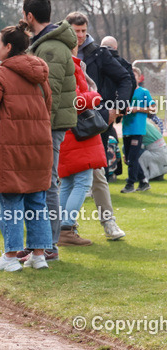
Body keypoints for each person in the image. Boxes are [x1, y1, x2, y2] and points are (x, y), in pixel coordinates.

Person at [0, 23, 54, 272]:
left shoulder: (0, 74)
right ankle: (39, 255)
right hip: (39, 146)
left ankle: (10, 256)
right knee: (37, 202)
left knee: (10, 202)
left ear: (8, 47)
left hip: (10, 148)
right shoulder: (41, 74)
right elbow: (48, 106)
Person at [23, 0, 78, 260]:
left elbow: (50, 94)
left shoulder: (51, 48)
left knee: (48, 184)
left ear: (29, 16)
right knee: (41, 183)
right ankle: (39, 242)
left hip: (49, 125)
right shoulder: (43, 44)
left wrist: (39, 128)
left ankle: (50, 245)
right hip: (46, 124)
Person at [67, 13, 128, 239]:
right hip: (63, 124)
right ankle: (62, 228)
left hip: (92, 124)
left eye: (84, 31)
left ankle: (108, 223)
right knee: (61, 177)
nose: (81, 36)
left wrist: (116, 108)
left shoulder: (98, 54)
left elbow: (125, 77)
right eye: (76, 31)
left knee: (97, 173)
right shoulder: (58, 53)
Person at [56, 45, 106, 247]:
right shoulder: (68, 66)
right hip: (76, 133)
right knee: (82, 182)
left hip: (66, 131)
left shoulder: (57, 64)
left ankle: (60, 227)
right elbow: (74, 100)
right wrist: (95, 96)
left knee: (67, 183)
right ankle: (67, 228)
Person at [120, 66, 155, 193]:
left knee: (133, 158)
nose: (131, 78)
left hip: (137, 130)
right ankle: (144, 182)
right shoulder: (125, 92)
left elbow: (153, 109)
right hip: (126, 129)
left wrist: (137, 109)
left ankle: (130, 185)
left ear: (139, 78)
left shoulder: (144, 92)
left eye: (134, 75)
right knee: (129, 159)